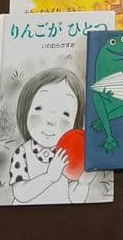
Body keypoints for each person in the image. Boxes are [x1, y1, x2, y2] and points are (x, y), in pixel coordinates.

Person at [9, 68, 91, 204]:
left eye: (65, 114)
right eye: (39, 108)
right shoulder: (22, 153)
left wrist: (83, 184)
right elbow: (20, 194)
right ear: (25, 109)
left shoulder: (70, 152)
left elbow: (75, 199)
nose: (51, 121)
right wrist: (48, 177)